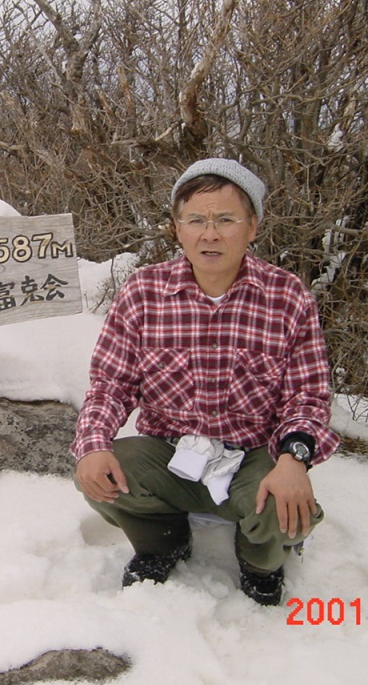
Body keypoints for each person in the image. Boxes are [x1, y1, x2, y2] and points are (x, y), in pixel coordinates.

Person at [72, 158, 339, 606]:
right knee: (99, 471)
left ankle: (260, 562)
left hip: (253, 456)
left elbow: (307, 395)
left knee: (284, 504)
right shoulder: (144, 292)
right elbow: (110, 385)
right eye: (196, 220)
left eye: (226, 220)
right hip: (172, 457)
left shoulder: (287, 296)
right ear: (178, 229)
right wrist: (93, 445)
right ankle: (163, 541)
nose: (209, 234)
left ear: (252, 226)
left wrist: (295, 459)